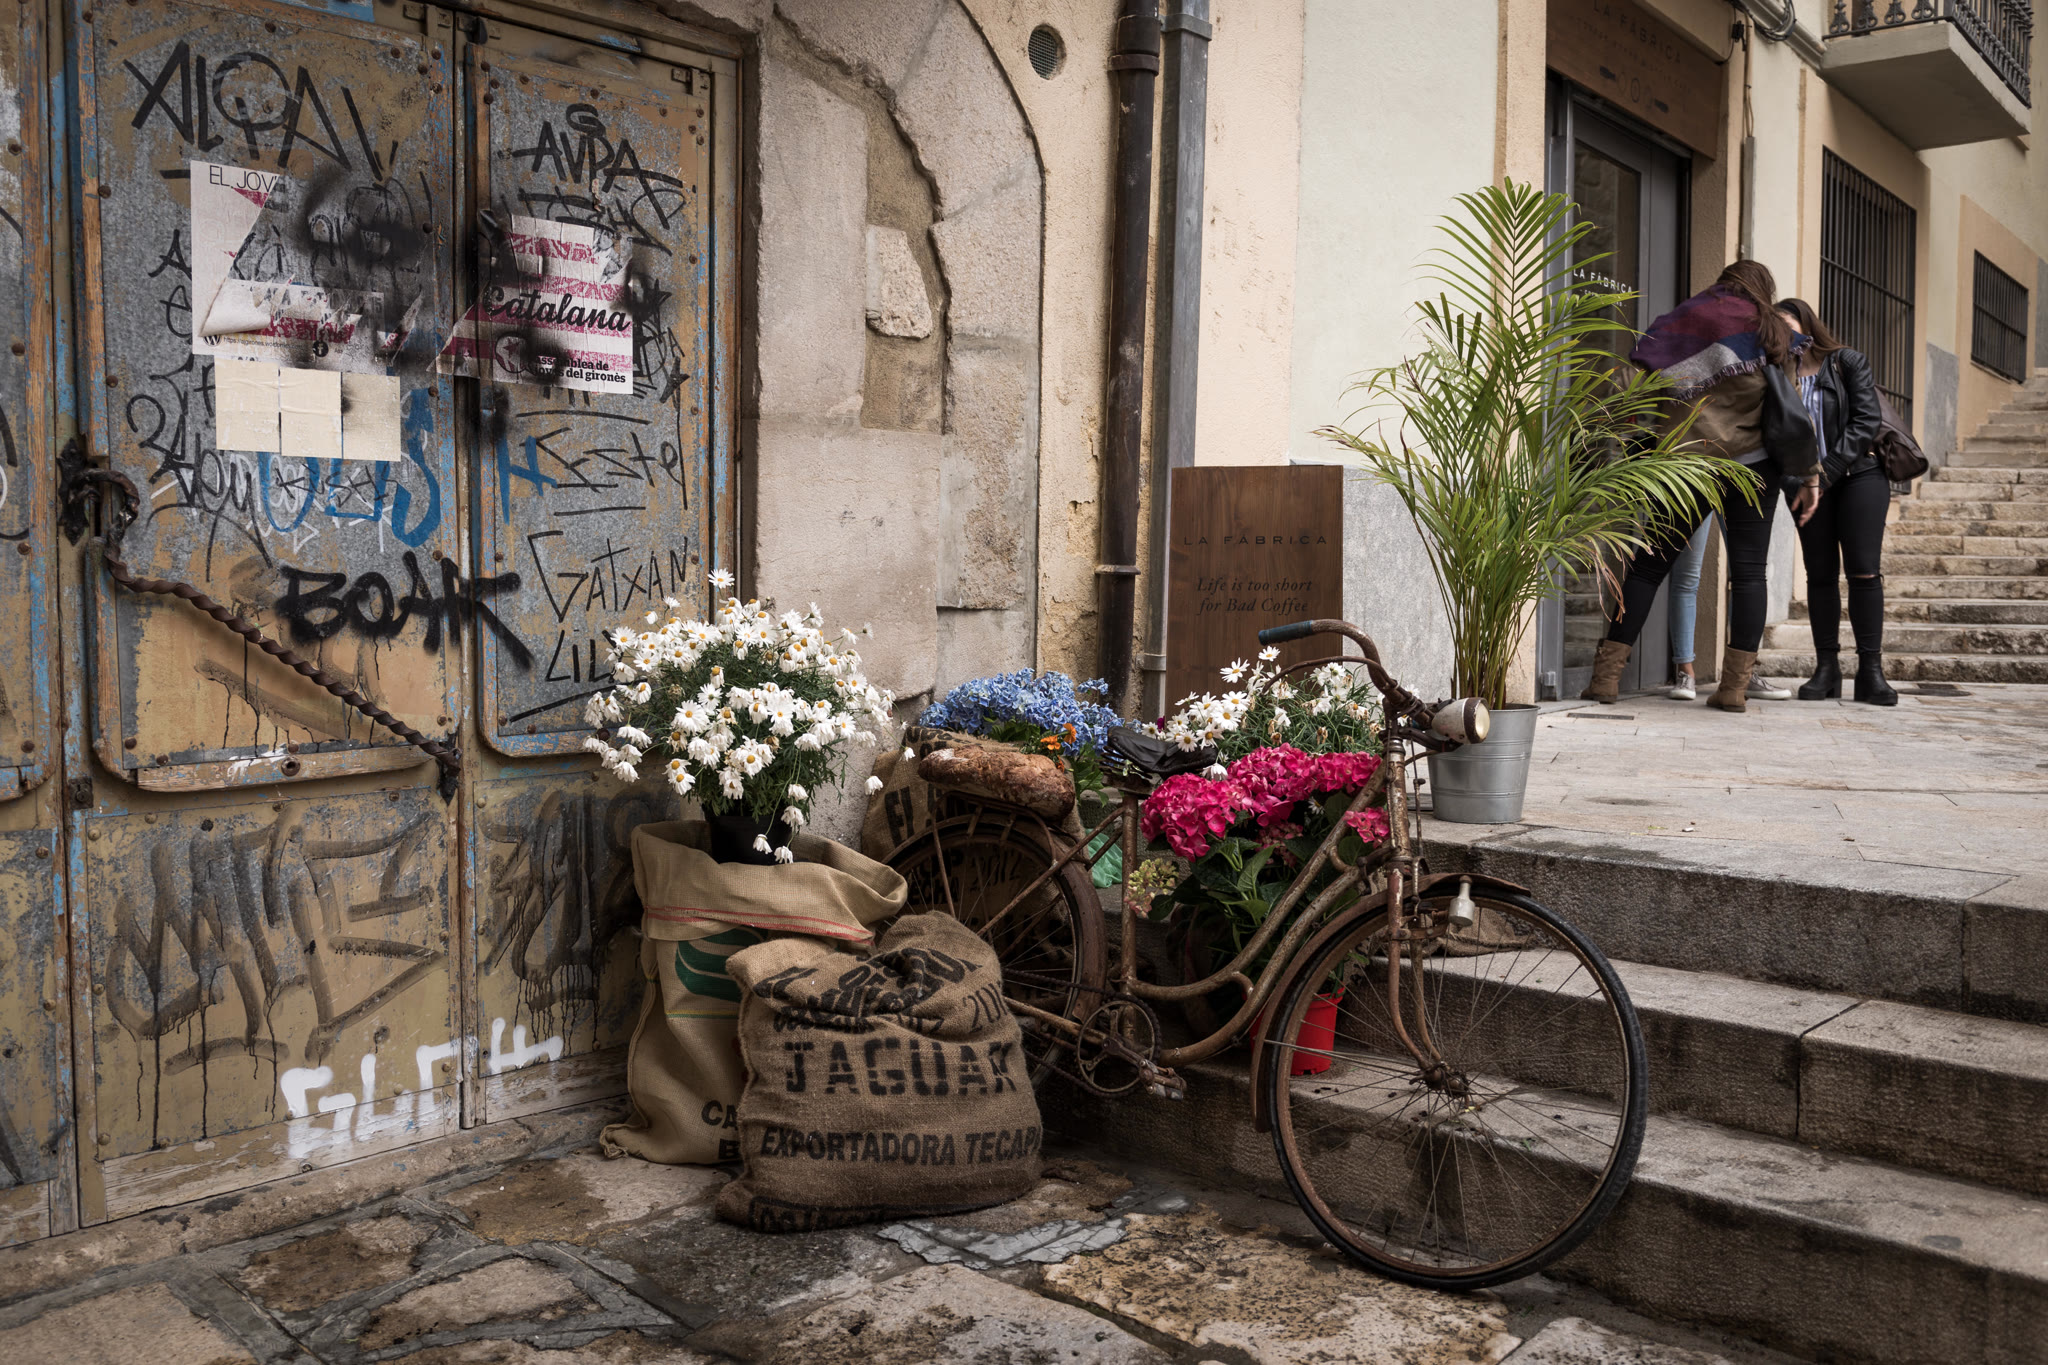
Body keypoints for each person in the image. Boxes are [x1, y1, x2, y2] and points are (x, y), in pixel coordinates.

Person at [1581, 260, 1820, 711]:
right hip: (1754, 468)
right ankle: (1733, 689)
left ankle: (1606, 680)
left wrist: (1606, 424)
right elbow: (1792, 409)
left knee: (1648, 569)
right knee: (1749, 575)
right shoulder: (1773, 331)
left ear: (1723, 283)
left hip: (1685, 467)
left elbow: (1630, 380)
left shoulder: (1687, 320)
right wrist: (1810, 475)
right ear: (1762, 289)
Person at [1778, 296, 1892, 705]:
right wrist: (1797, 481)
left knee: (1864, 572)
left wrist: (1823, 475)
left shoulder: (1847, 362)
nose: (1783, 335)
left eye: (1788, 325)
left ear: (1807, 325)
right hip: (1804, 487)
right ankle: (1826, 670)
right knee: (1820, 576)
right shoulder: (1776, 374)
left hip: (1859, 476)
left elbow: (1865, 422)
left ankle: (1871, 672)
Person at [1662, 514, 1795, 702]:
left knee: (1746, 577)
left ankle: (1743, 676)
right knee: (1687, 577)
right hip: (1702, 493)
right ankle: (1685, 673)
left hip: (1736, 494)